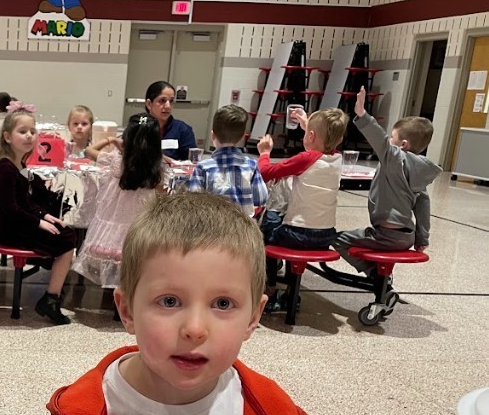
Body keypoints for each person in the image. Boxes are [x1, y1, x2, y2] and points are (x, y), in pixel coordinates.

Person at [36, 192, 318, 415]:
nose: (195, 329)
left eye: (222, 303)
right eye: (170, 301)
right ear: (127, 311)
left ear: (253, 317)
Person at [332, 87, 440, 278]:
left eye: (393, 137)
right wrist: (422, 239)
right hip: (407, 237)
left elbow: (379, 139)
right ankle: (379, 277)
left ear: (403, 144)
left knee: (337, 240)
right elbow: (423, 206)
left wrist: (363, 115)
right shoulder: (417, 172)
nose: (389, 140)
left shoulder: (395, 158)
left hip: (385, 235)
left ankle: (372, 273)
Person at [0, 109, 76, 325]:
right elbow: (11, 209)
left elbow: (28, 203)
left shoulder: (20, 164)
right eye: (22, 131)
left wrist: (46, 215)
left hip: (20, 224)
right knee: (67, 240)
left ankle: (52, 296)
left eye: (32, 131)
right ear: (8, 137)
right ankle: (51, 299)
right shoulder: (5, 168)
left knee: (66, 234)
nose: (29, 135)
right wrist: (39, 222)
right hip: (10, 230)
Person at [256, 107, 347, 309]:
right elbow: (323, 144)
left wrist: (264, 153)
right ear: (339, 140)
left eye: (307, 132)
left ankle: (269, 285)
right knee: (284, 224)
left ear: (311, 136)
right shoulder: (337, 158)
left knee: (266, 230)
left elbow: (266, 172)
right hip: (326, 236)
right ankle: (289, 291)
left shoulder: (305, 159)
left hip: (297, 234)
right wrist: (308, 124)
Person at [73, 115, 166, 289]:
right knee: (134, 257)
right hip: (139, 222)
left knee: (114, 256)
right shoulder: (157, 166)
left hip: (113, 221)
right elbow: (161, 191)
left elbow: (88, 151)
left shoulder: (118, 160)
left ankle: (111, 291)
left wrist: (111, 140)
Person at [187, 104, 268, 216]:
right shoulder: (251, 165)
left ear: (212, 135)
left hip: (214, 227)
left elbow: (194, 200)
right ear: (242, 137)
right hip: (244, 228)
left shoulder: (203, 167)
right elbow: (261, 198)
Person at [128, 81, 196, 160]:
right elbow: (127, 153)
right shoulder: (138, 125)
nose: (168, 106)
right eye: (162, 101)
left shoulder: (182, 129)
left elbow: (191, 162)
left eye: (171, 101)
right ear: (149, 104)